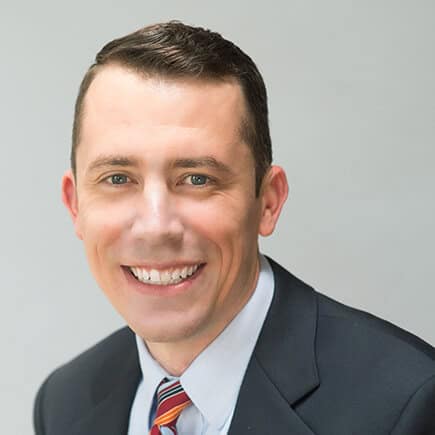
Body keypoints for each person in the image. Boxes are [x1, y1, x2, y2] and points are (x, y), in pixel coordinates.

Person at [34, 21, 435, 435]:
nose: (155, 227)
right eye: (118, 178)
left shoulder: (408, 406)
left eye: (197, 179)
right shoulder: (64, 402)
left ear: (268, 201)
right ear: (75, 204)